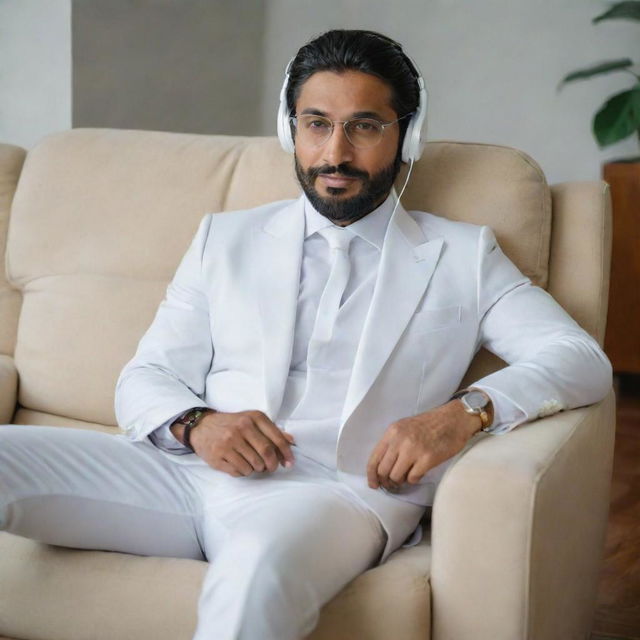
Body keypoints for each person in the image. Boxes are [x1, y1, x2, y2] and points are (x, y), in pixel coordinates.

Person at [0, 29, 611, 640]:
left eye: (365, 126)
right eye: (316, 123)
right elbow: (147, 375)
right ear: (290, 129)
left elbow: (578, 357)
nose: (335, 153)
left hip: (335, 494)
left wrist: (465, 412)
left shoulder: (462, 254)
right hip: (183, 471)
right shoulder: (226, 238)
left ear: (408, 135)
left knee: (254, 575)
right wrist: (197, 424)